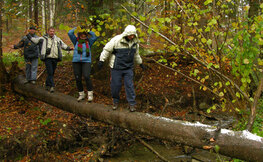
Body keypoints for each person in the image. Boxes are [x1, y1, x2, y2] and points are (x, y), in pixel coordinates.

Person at [98, 25, 145, 112]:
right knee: (115, 86)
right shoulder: (116, 40)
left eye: (133, 35)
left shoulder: (135, 43)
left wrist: (140, 63)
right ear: (126, 34)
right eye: (130, 35)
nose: (132, 37)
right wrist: (101, 60)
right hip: (116, 68)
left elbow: (136, 55)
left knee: (129, 86)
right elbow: (106, 50)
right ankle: (115, 101)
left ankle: (132, 104)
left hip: (128, 68)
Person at [27, 27, 73, 92]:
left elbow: (63, 45)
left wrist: (69, 48)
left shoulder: (57, 39)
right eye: (50, 31)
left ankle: (47, 84)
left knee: (52, 73)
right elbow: (35, 40)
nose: (52, 33)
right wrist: (28, 35)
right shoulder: (43, 38)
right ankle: (52, 86)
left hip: (55, 58)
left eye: (53, 31)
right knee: (50, 72)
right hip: (47, 58)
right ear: (48, 32)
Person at [68, 27, 98, 102]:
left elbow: (96, 36)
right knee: (78, 78)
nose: (83, 36)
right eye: (82, 34)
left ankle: (90, 95)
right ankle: (81, 94)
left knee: (87, 76)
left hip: (86, 61)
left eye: (85, 34)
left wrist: (88, 30)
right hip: (76, 61)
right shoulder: (76, 41)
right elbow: (70, 33)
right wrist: (77, 28)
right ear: (79, 34)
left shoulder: (89, 41)